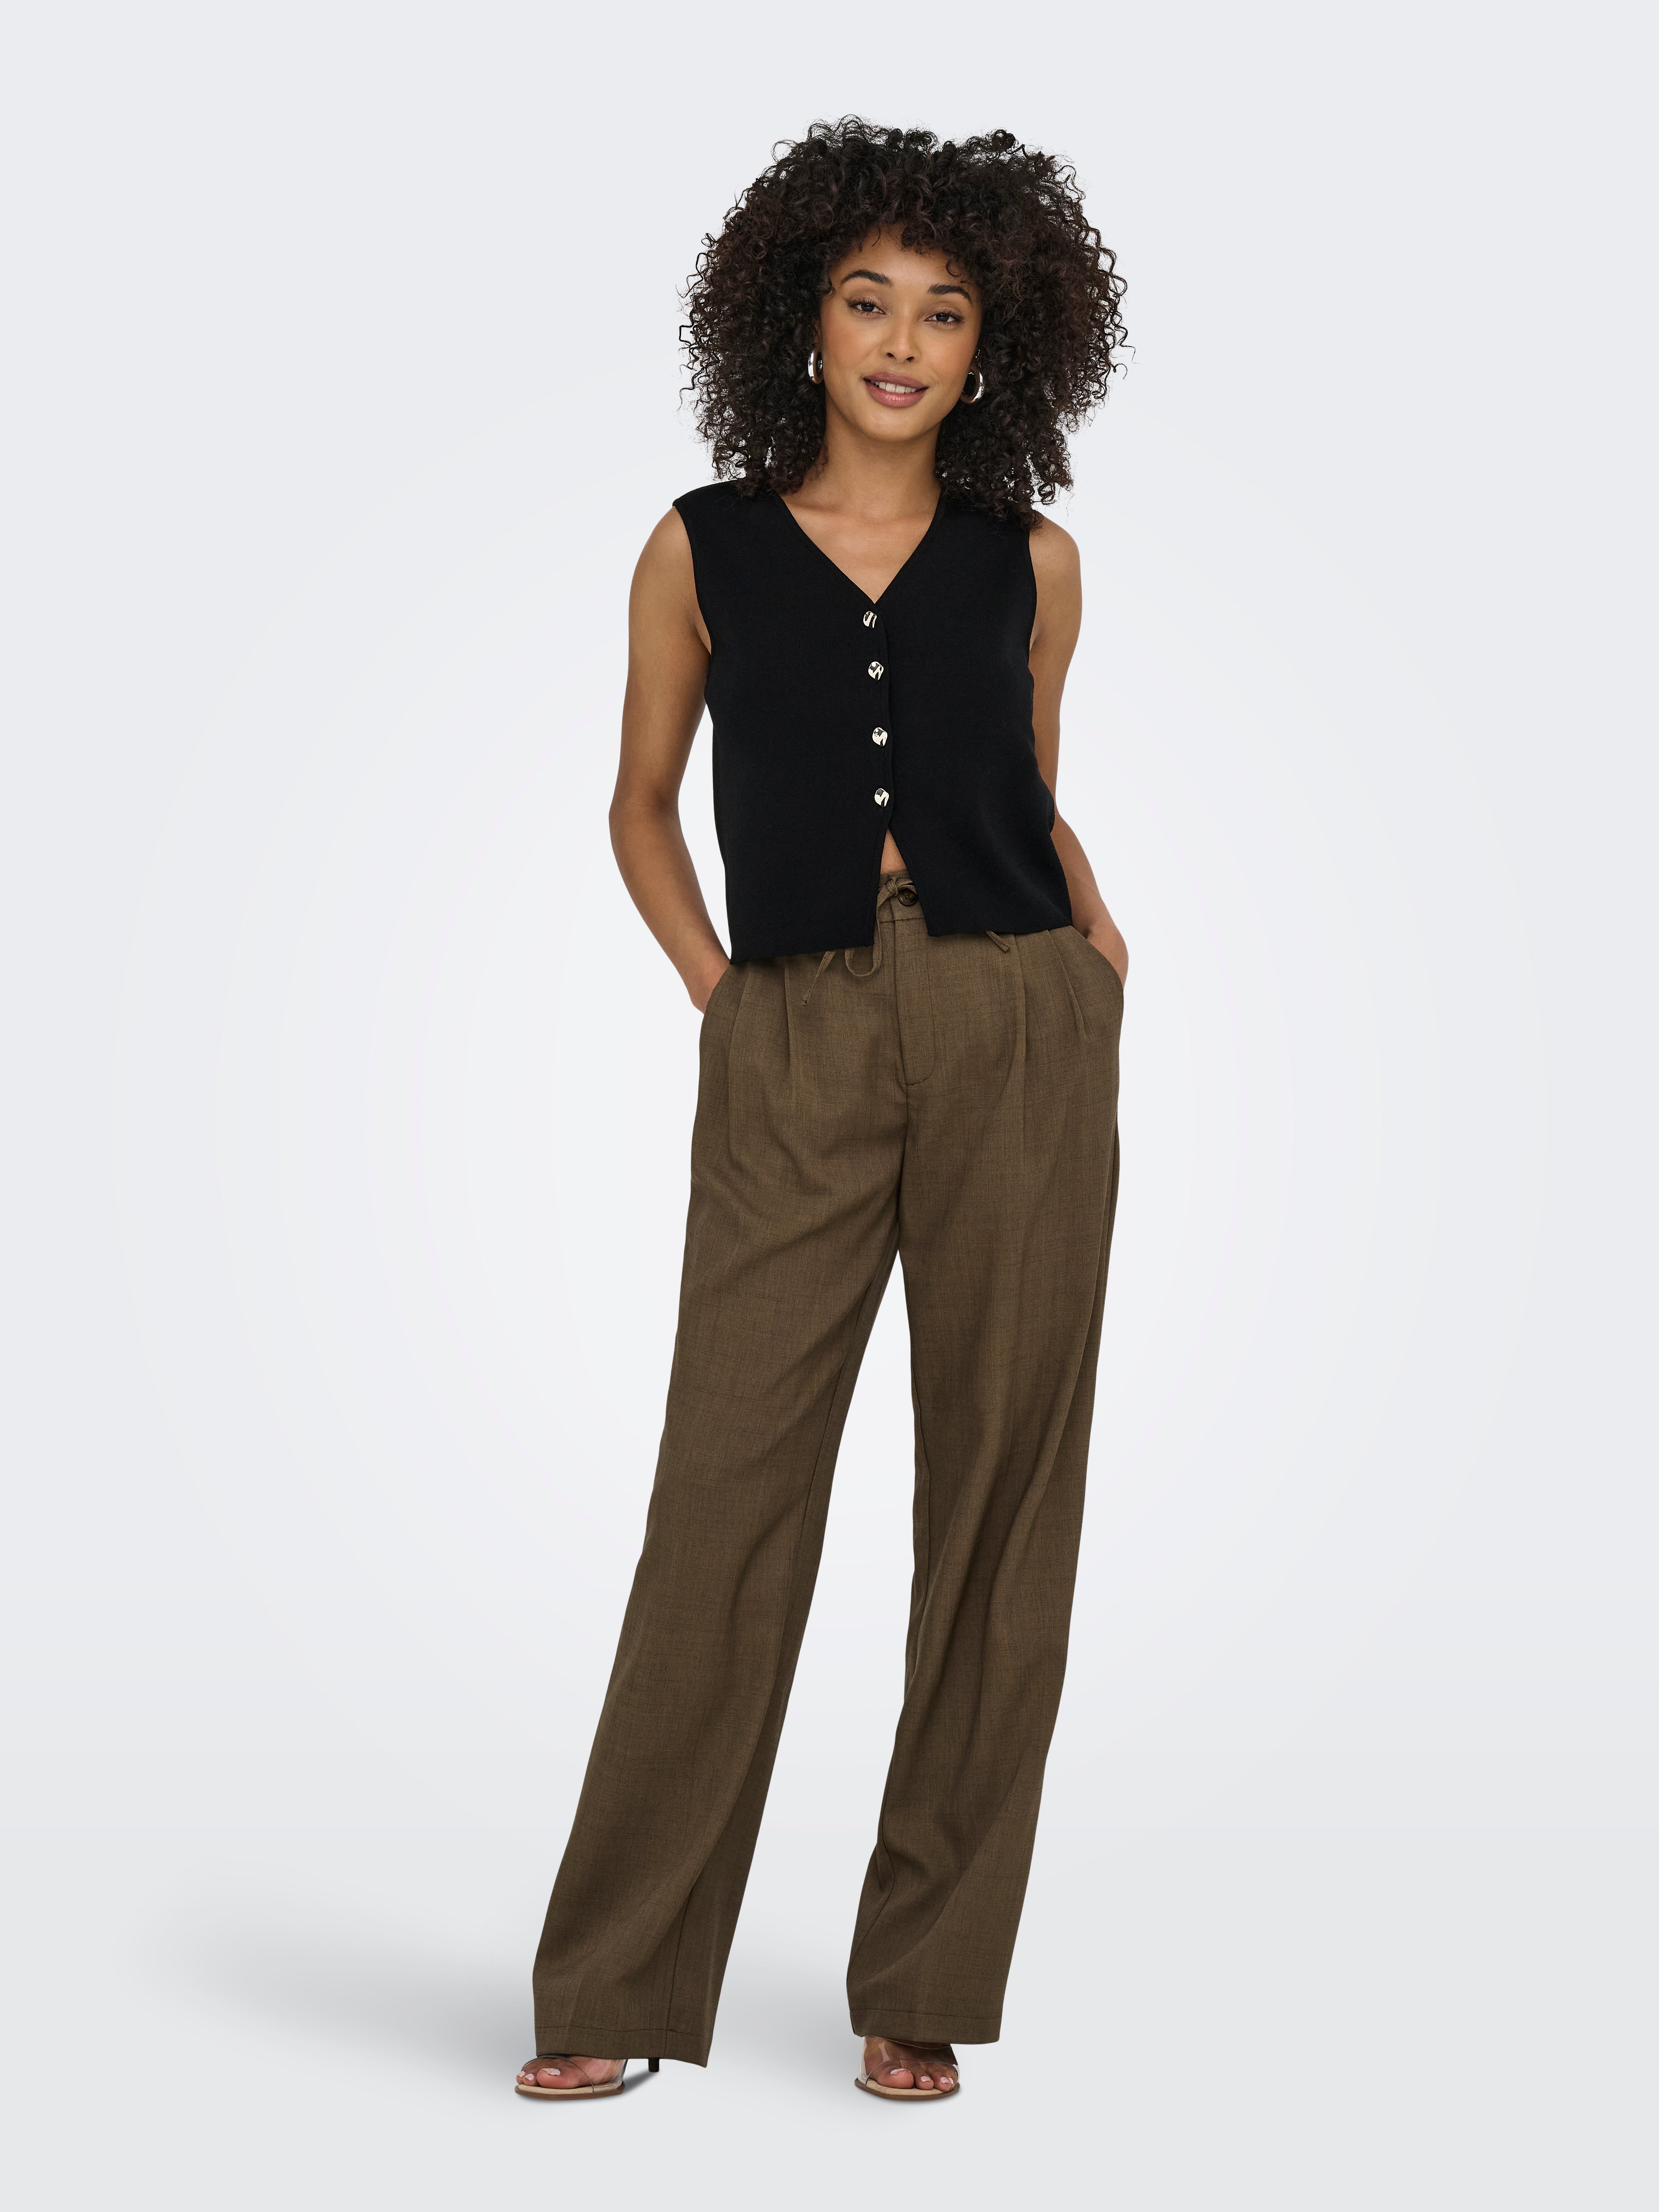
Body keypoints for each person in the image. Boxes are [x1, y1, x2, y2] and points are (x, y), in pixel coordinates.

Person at [517, 117, 1130, 2104]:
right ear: (803, 318)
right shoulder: (697, 545)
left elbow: (1026, 790)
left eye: (944, 312)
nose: (901, 342)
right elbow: (638, 800)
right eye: (869, 301)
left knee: (1002, 1496)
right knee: (727, 1487)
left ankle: (923, 1976)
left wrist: (1093, 949)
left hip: (1017, 1017)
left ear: (993, 345)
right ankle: (615, 1980)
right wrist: (724, 990)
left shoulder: (1030, 560)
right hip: (791, 1019)